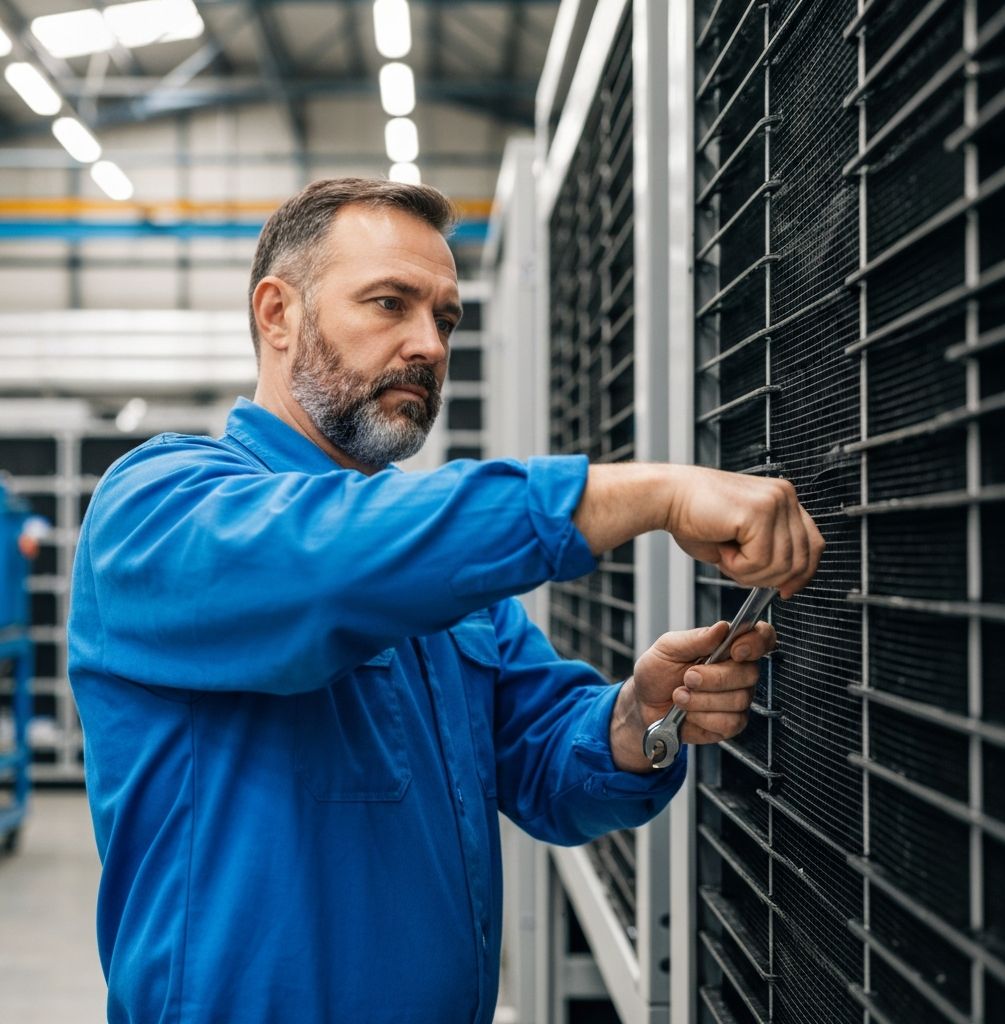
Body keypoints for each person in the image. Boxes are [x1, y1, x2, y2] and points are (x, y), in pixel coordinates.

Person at [68, 178, 823, 1024]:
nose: (428, 344)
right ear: (277, 315)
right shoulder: (158, 508)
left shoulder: (444, 580)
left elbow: (539, 758)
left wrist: (638, 716)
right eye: (390, 303)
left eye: (447, 319)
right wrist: (654, 494)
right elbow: (327, 568)